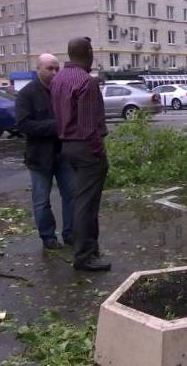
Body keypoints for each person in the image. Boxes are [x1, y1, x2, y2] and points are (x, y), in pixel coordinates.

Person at [51, 37, 111, 272]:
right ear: (88, 52)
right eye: (92, 50)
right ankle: (84, 256)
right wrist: (99, 152)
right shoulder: (86, 82)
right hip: (87, 149)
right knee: (86, 204)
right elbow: (88, 127)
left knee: (81, 200)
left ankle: (89, 249)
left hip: (67, 146)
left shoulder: (58, 79)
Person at [16, 53, 74, 250]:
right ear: (38, 69)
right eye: (50, 68)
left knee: (71, 195)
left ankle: (71, 234)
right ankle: (48, 237)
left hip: (63, 154)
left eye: (57, 68)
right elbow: (24, 125)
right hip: (39, 157)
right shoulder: (26, 94)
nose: (55, 72)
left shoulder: (62, 91)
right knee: (41, 200)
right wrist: (55, 126)